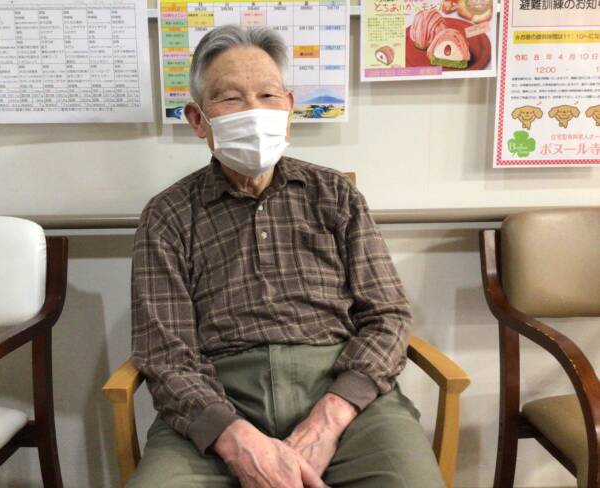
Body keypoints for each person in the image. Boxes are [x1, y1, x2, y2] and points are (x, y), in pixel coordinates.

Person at [129, 24, 444, 488]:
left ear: (289, 108)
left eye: (267, 96)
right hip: (217, 400)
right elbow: (165, 353)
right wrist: (235, 440)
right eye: (230, 99)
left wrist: (331, 416)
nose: (254, 111)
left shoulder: (334, 194)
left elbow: (388, 315)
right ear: (197, 119)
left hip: (342, 393)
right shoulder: (167, 215)